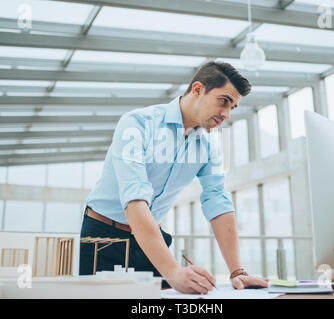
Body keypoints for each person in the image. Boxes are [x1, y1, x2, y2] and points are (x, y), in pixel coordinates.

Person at [79, 61, 269, 294]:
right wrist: (173, 271)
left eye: (233, 107)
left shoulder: (212, 146)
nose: (227, 114)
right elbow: (135, 200)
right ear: (198, 89)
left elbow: (218, 202)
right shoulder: (136, 123)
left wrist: (238, 272)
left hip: (151, 238)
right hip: (104, 237)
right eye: (224, 101)